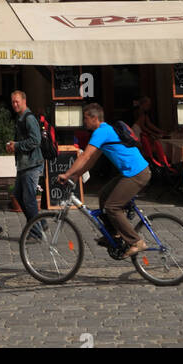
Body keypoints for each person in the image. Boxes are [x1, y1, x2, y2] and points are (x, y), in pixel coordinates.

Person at [59, 102, 152, 257]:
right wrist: (76, 175)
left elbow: (85, 156)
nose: (84, 122)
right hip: (130, 173)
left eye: (86, 118)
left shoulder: (101, 132)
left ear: (94, 118)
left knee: (112, 207)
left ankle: (136, 241)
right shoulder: (105, 131)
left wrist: (67, 174)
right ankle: (114, 233)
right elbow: (92, 160)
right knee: (103, 195)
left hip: (137, 173)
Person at [7, 89, 44, 238]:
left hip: (31, 164)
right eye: (13, 102)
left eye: (17, 101)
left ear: (24, 101)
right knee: (19, 195)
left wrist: (16, 146)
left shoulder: (28, 118)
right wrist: (14, 145)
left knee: (28, 199)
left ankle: (36, 231)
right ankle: (40, 223)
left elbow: (36, 140)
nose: (15, 104)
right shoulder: (21, 118)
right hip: (24, 164)